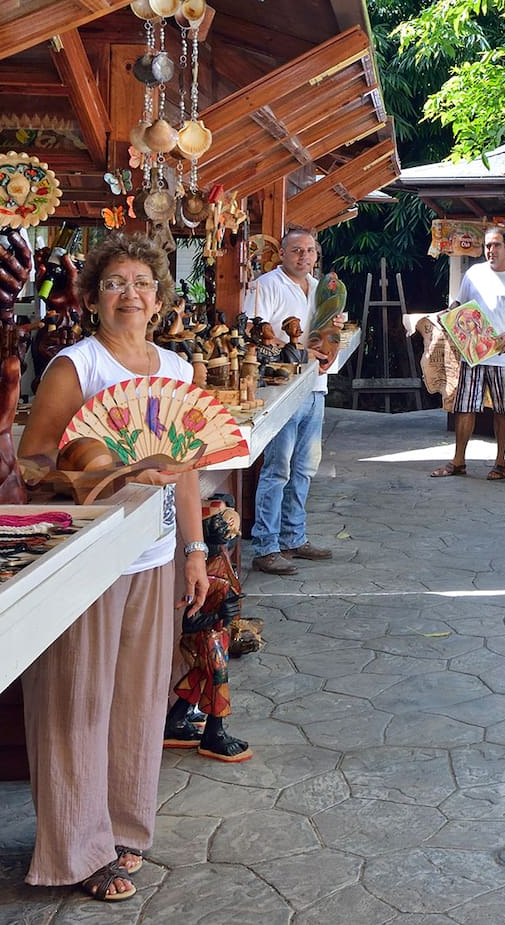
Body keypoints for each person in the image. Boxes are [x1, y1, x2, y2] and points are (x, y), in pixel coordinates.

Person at [14, 236, 207, 902]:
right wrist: (111, 466)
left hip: (152, 555)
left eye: (143, 282)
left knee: (138, 699)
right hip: (85, 559)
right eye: (115, 282)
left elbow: (187, 471)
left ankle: (123, 828)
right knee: (77, 699)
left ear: (159, 297)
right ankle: (75, 849)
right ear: (94, 297)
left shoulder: (178, 371)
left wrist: (195, 549)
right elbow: (33, 461)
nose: (131, 293)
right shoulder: (77, 366)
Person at [246, 226, 341, 576]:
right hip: (282, 390)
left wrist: (330, 345)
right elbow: (256, 337)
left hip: (316, 387)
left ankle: (293, 537)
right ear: (283, 253)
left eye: (309, 251)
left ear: (316, 255)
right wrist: (305, 349)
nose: (304, 256)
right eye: (296, 250)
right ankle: (266, 546)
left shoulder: (321, 290)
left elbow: (327, 334)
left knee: (304, 469)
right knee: (277, 469)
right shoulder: (265, 286)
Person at [430, 226, 505, 481]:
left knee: (504, 410)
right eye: (487, 246)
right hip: (473, 354)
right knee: (464, 407)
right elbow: (460, 303)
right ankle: (458, 461)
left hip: (504, 356)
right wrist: (449, 312)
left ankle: (501, 463)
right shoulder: (473, 274)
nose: (491, 251)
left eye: (496, 246)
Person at [163, 496, 252, 764]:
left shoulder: (221, 559)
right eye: (221, 525)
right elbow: (190, 621)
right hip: (206, 637)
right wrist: (217, 615)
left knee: (201, 677)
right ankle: (215, 735)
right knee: (217, 681)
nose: (229, 529)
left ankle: (175, 723)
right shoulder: (207, 574)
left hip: (218, 634)